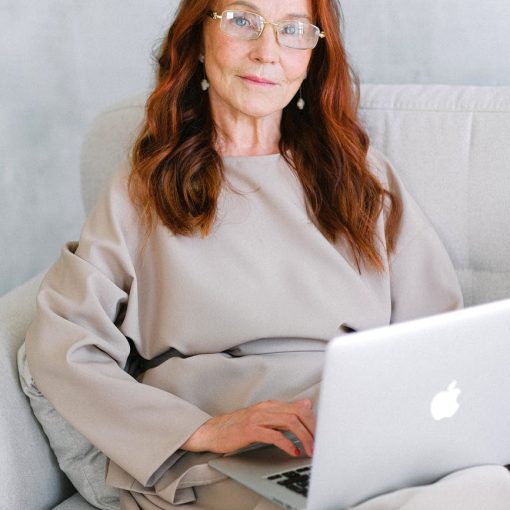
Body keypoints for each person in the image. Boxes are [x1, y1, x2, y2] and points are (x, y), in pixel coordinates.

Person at [25, 0, 467, 508]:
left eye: (293, 30)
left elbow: (438, 336)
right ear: (197, 40)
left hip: (362, 438)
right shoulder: (144, 189)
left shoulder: (359, 175)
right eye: (242, 20)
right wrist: (202, 430)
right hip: (231, 463)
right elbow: (64, 344)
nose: (266, 52)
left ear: (314, 57)